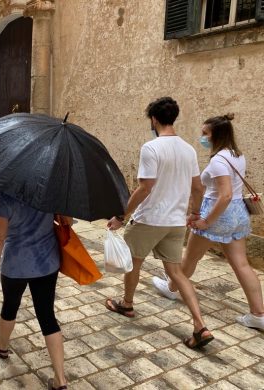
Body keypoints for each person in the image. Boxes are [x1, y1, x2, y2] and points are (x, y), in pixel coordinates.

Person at [106, 97, 213, 349]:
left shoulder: (151, 148)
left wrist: (121, 216)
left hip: (150, 218)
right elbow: (198, 187)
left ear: (154, 119)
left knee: (134, 262)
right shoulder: (188, 149)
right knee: (176, 273)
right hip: (176, 222)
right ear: (173, 118)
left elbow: (145, 188)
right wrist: (194, 213)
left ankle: (127, 303)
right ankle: (200, 325)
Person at [153, 114, 264, 330]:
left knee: (190, 258)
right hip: (237, 216)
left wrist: (205, 221)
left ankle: (172, 288)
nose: (201, 137)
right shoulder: (237, 155)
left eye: (205, 133)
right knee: (241, 264)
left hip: (217, 215)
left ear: (217, 135)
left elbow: (225, 195)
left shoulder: (219, 161)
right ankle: (258, 314)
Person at [0, 191, 69, 390]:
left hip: (16, 264)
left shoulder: (4, 196)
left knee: (10, 306)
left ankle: (2, 345)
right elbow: (68, 222)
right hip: (47, 261)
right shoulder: (50, 190)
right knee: (47, 316)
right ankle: (60, 381)